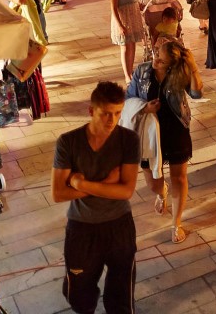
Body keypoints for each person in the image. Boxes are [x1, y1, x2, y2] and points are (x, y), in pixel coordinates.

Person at [51, 81, 139, 314]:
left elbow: (126, 191)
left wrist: (80, 183)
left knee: (122, 294)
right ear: (91, 111)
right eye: (106, 114)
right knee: (78, 293)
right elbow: (58, 193)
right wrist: (108, 183)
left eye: (118, 113)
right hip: (82, 227)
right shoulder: (68, 142)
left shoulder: (129, 140)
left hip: (119, 225)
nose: (112, 120)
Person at [125, 39, 203, 245]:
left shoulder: (180, 73)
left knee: (179, 179)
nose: (155, 60)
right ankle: (162, 192)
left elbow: (196, 93)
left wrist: (193, 67)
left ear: (172, 65)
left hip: (176, 130)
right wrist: (144, 108)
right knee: (153, 184)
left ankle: (176, 223)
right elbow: (128, 98)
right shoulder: (141, 71)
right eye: (156, 54)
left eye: (161, 59)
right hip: (148, 133)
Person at [110, 0, 147, 81]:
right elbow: (114, 8)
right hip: (123, 17)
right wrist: (120, 25)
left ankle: (131, 71)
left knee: (133, 45)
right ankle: (127, 75)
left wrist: (140, 3)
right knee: (125, 46)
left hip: (134, 16)